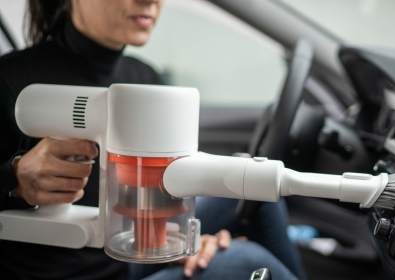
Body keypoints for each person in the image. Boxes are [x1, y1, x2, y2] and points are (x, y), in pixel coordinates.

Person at [0, 0, 306, 279]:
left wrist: (187, 244)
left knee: (253, 190)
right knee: (246, 260)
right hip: (82, 273)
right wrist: (13, 179)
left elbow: (163, 196)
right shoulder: (10, 82)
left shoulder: (144, 77)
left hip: (134, 253)